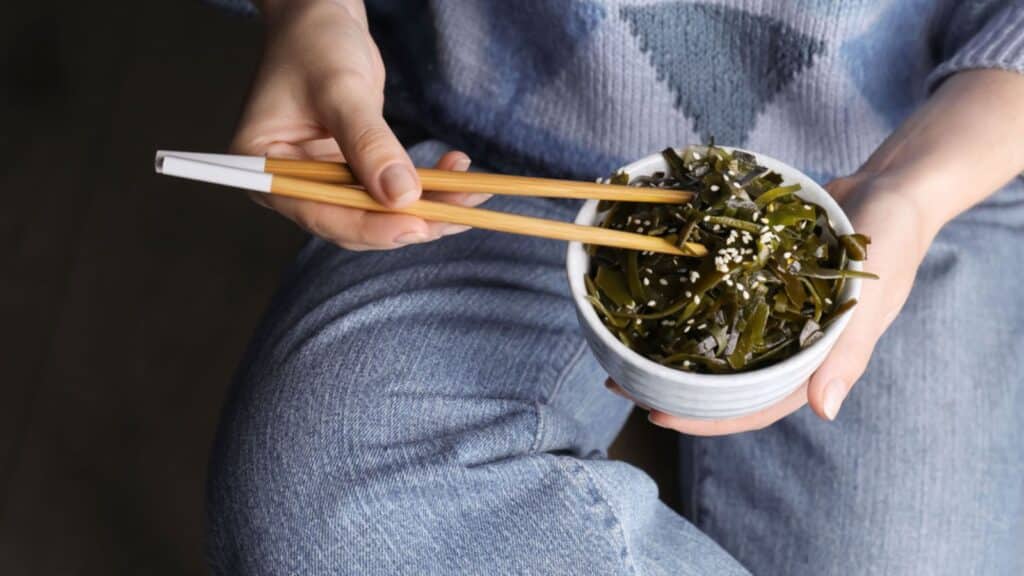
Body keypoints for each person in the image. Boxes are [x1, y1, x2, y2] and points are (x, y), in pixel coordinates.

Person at [205, 1, 1024, 573]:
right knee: (328, 517)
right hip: (487, 155)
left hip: (923, 153)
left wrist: (915, 190)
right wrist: (315, 14)